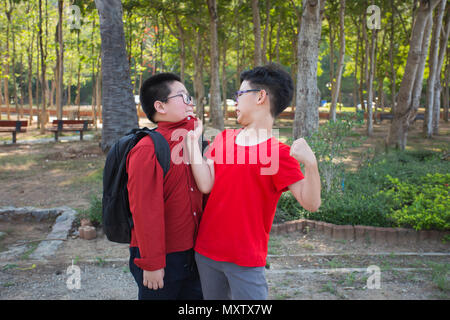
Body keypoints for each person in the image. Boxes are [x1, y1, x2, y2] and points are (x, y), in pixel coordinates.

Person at [185, 64, 321, 300]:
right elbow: (205, 184)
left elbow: (311, 204)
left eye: (239, 95)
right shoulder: (224, 138)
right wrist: (191, 144)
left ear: (260, 96)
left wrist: (311, 165)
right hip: (206, 253)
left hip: (246, 260)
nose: (235, 101)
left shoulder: (279, 153)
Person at [127, 72, 203, 300]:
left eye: (190, 97)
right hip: (163, 258)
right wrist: (151, 263)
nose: (190, 103)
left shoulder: (194, 140)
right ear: (160, 106)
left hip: (195, 254)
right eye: (183, 97)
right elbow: (145, 210)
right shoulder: (147, 149)